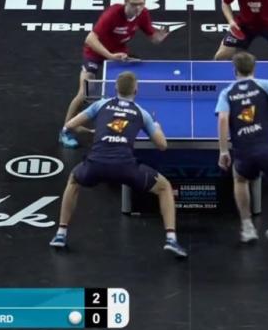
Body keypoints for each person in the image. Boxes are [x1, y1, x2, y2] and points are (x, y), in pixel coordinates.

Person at [50, 71, 187, 258]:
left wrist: (91, 131)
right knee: (164, 187)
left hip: (95, 165)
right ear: (136, 90)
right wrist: (158, 128)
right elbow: (162, 146)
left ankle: (61, 234)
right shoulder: (142, 113)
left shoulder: (101, 104)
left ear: (115, 88)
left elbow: (70, 125)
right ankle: (171, 238)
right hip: (126, 168)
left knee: (73, 181)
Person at [215, 52, 268, 260]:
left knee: (240, 178)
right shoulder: (264, 84)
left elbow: (223, 120)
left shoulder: (227, 93)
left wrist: (224, 151)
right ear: (254, 69)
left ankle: (247, 226)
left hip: (244, 150)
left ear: (235, 70)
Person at [59, 0, 169, 148]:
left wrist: (161, 36)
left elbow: (153, 38)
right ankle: (65, 131)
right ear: (126, 2)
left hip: (119, 53)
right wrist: (109, 56)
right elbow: (90, 39)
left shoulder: (143, 14)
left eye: (141, 3)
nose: (138, 8)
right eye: (134, 4)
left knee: (126, 86)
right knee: (84, 92)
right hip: (95, 53)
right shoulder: (112, 14)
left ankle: (114, 124)